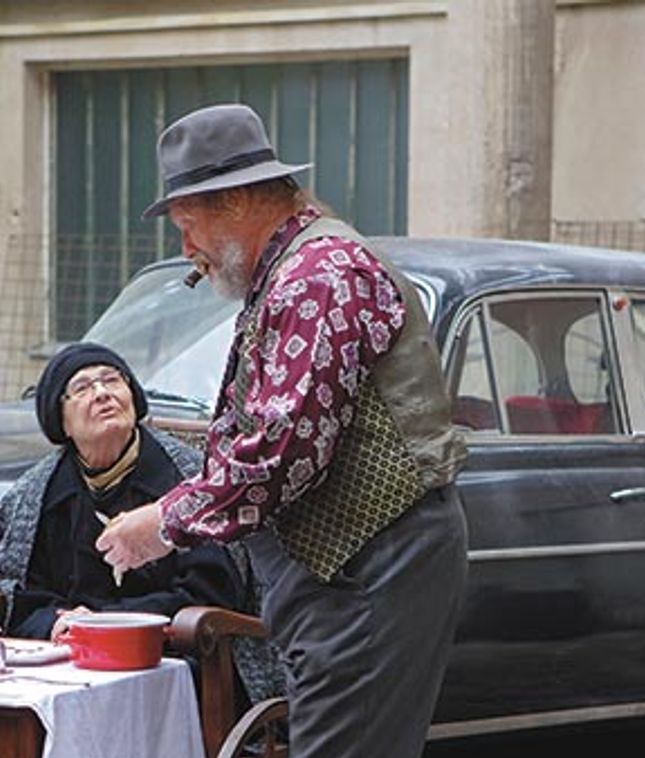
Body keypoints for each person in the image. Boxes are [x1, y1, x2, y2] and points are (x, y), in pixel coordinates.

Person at [96, 103, 470, 757]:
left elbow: (282, 450)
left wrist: (162, 522)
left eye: (189, 225)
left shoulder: (315, 277)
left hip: (367, 571)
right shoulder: (296, 274)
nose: (187, 251)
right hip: (349, 572)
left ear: (237, 200)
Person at [0, 342, 243, 641]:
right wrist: (54, 623)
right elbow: (13, 592)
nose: (102, 393)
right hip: (64, 652)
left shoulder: (190, 477)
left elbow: (212, 589)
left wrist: (107, 624)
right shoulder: (34, 495)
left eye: (112, 380)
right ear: (61, 422)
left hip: (169, 651)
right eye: (82, 388)